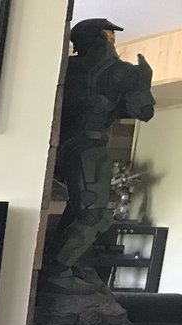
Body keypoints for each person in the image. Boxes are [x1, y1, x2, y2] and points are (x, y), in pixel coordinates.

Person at [42, 19, 155, 288]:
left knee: (79, 207)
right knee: (94, 213)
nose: (113, 40)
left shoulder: (64, 67)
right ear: (101, 39)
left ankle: (58, 263)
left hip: (60, 146)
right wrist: (143, 78)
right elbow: (144, 111)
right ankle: (58, 271)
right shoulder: (120, 71)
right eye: (110, 36)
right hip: (90, 146)